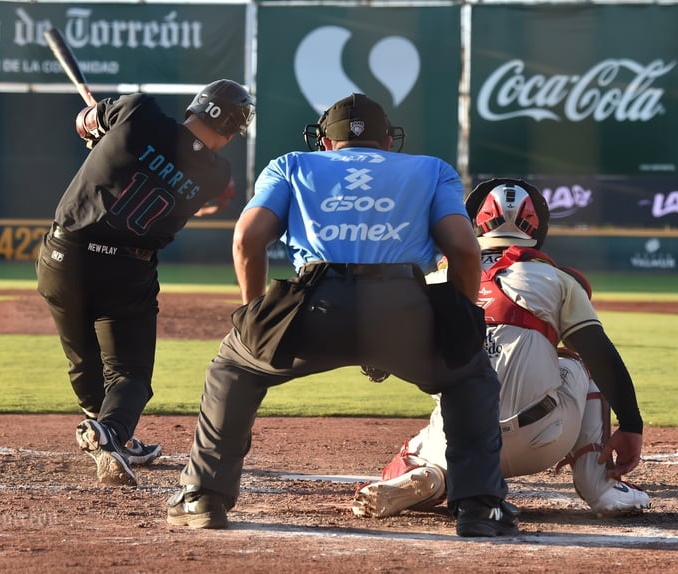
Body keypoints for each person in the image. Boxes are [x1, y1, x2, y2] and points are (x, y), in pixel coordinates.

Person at [166, 93, 519, 538]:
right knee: (469, 375)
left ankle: (203, 497)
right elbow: (466, 250)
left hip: (316, 302)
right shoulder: (431, 168)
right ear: (388, 142)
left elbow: (247, 240)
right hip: (404, 308)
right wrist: (460, 320)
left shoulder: (292, 164)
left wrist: (254, 315)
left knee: (233, 368)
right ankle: (480, 508)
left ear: (327, 145)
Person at [351, 178, 650, 519]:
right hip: (542, 440)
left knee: (427, 443)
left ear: (474, 223)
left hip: (462, 440)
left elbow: (376, 362)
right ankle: (599, 485)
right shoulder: (556, 280)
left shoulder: (435, 282)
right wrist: (631, 425)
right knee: (578, 363)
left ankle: (434, 475)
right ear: (537, 227)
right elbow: (604, 358)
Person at [35, 79, 256, 487]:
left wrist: (102, 131)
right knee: (130, 375)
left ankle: (109, 435)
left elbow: (84, 122)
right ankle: (112, 431)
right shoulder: (214, 171)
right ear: (230, 133)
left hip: (63, 256)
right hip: (126, 270)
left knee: (84, 363)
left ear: (195, 106)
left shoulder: (138, 110)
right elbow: (193, 182)